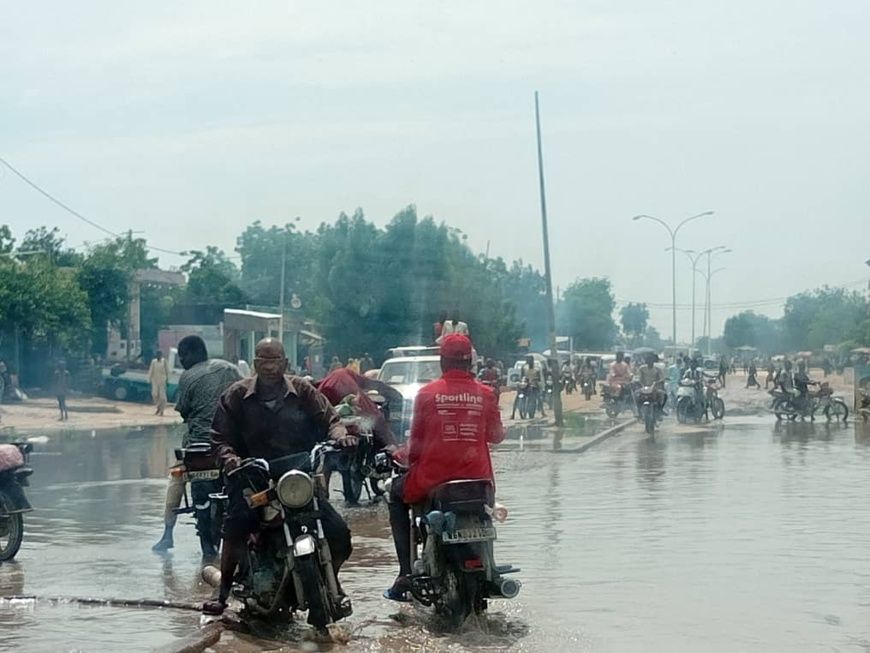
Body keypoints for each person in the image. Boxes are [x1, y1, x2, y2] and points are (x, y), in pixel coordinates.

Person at [203, 338, 357, 615]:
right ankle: (223, 591)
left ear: (285, 363)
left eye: (275, 361)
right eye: (264, 360)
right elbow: (219, 438)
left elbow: (331, 420)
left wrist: (341, 437)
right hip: (253, 479)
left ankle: (331, 582)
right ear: (255, 364)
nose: (270, 367)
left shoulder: (303, 390)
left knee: (339, 535)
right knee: (236, 527)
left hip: (298, 478)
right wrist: (232, 460)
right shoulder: (236, 396)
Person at [384, 334, 504, 601]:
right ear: (470, 362)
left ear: (442, 360)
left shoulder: (427, 394)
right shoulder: (486, 394)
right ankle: (491, 568)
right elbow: (496, 435)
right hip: (479, 484)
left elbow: (414, 449)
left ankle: (405, 571)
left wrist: (398, 454)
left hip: (433, 482)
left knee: (393, 494)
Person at [153, 336, 243, 554]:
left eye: (183, 356)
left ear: (193, 354)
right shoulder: (231, 370)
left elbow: (183, 410)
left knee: (176, 478)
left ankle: (167, 534)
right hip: (233, 444)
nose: (182, 360)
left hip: (198, 447)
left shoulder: (188, 377)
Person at [148, 351, 170, 416]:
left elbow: (167, 372)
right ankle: (158, 407)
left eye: (159, 354)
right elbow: (151, 370)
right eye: (157, 354)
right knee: (154, 394)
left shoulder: (164, 361)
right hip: (155, 380)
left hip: (162, 381)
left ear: (161, 355)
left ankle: (162, 411)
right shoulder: (153, 362)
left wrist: (168, 381)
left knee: (162, 397)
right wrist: (149, 379)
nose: (158, 356)